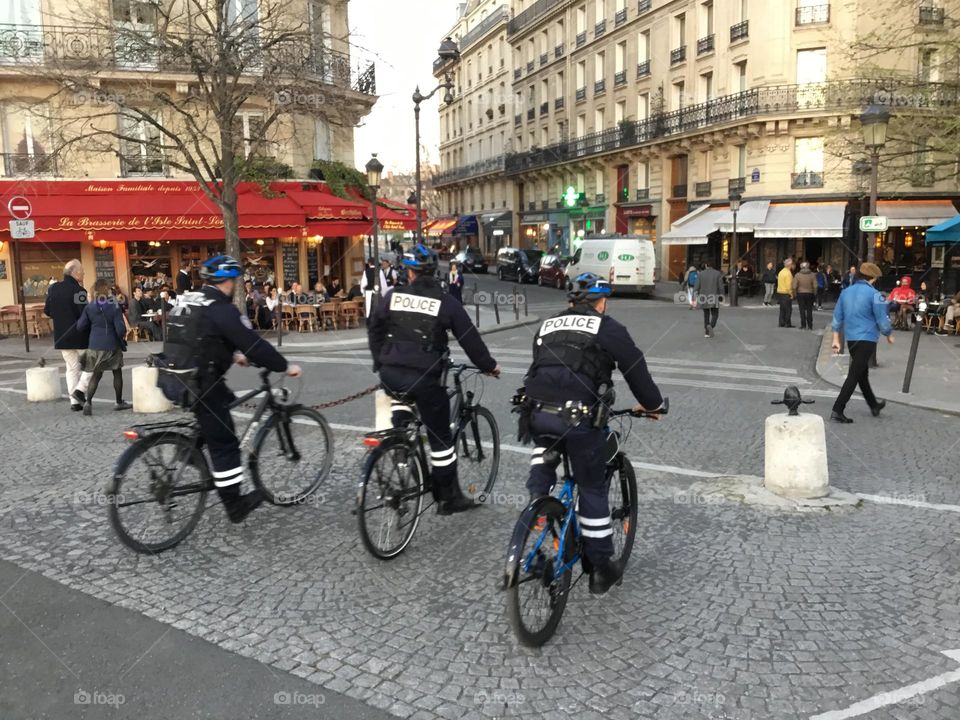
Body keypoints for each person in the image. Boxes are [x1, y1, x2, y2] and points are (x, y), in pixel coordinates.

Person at [522, 273, 664, 595]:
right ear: (601, 302)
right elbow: (635, 369)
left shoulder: (546, 326)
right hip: (579, 420)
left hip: (538, 413)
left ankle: (537, 502)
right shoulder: (608, 328)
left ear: (570, 302)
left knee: (545, 443)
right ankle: (600, 568)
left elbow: (542, 370)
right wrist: (652, 404)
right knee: (592, 485)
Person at [368, 244, 500, 515]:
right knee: (441, 438)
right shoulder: (445, 301)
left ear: (410, 273)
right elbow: (469, 339)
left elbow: (374, 327)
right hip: (426, 378)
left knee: (401, 403)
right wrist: (488, 366)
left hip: (391, 373)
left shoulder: (393, 295)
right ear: (433, 271)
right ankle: (447, 497)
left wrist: (380, 360)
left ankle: (401, 448)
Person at [174, 256, 301, 522]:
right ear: (228, 281)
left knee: (223, 404)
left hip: (176, 376)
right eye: (234, 281)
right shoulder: (222, 308)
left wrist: (231, 355)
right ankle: (235, 504)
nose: (235, 285)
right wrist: (283, 365)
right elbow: (252, 343)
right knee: (226, 442)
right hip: (202, 381)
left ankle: (188, 449)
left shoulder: (189, 299)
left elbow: (198, 336)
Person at [830, 262, 893, 423]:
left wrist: (836, 338)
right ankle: (838, 409)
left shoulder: (846, 292)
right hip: (868, 339)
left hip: (851, 339)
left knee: (861, 373)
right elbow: (882, 319)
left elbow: (837, 317)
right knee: (854, 374)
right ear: (873, 278)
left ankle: (873, 405)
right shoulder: (875, 295)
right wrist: (888, 333)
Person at [75, 279, 132, 415]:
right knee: (117, 372)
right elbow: (119, 329)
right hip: (111, 344)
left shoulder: (90, 307)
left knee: (96, 374)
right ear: (107, 290)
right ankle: (118, 402)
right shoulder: (114, 305)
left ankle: (88, 402)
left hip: (95, 345)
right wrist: (123, 335)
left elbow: (80, 326)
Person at [43, 259, 92, 412]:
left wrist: (61, 318)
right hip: (80, 336)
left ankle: (74, 402)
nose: (83, 273)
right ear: (75, 273)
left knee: (71, 369)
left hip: (62, 336)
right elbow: (84, 314)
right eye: (82, 271)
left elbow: (47, 311)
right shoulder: (79, 291)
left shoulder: (54, 289)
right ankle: (80, 391)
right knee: (92, 365)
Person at [694, 261, 722, 338]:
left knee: (706, 314)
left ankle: (706, 332)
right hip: (714, 296)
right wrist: (721, 295)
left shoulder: (701, 274)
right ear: (713, 266)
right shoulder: (718, 274)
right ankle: (711, 326)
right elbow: (721, 287)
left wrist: (695, 295)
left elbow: (696, 286)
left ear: (706, 265)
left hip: (703, 296)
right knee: (715, 314)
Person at [793, 261, 817, 330]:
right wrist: (814, 293)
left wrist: (795, 294)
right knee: (809, 309)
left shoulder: (797, 275)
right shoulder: (813, 275)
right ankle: (810, 325)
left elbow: (794, 286)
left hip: (800, 293)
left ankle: (803, 325)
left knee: (802, 309)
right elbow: (815, 286)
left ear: (801, 267)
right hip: (810, 293)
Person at [777, 258, 795, 328]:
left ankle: (781, 322)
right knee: (788, 309)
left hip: (780, 292)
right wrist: (791, 294)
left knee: (782, 309)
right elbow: (789, 285)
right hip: (786, 293)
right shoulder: (788, 273)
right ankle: (787, 323)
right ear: (789, 265)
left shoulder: (781, 272)